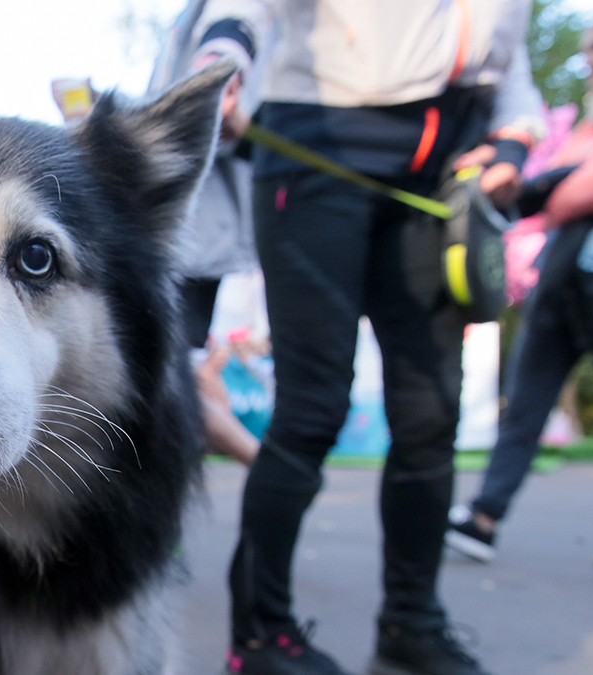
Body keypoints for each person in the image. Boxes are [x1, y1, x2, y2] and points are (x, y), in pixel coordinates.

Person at [196, 2, 546, 674]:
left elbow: (511, 61)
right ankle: (262, 636)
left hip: (446, 172)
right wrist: (221, 61)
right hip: (319, 148)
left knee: (431, 413)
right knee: (312, 407)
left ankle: (411, 625)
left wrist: (515, 138)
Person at [448, 18, 593, 567]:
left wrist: (561, 189)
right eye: (591, 48)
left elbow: (572, 192)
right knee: (525, 403)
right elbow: (555, 192)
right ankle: (484, 517)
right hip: (561, 280)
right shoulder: (587, 126)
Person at [146, 0, 266, 466]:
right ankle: (242, 448)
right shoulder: (181, 21)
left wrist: (221, 74)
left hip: (198, 243)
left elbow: (235, 32)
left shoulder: (232, 20)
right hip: (168, 243)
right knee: (175, 373)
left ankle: (246, 449)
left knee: (173, 376)